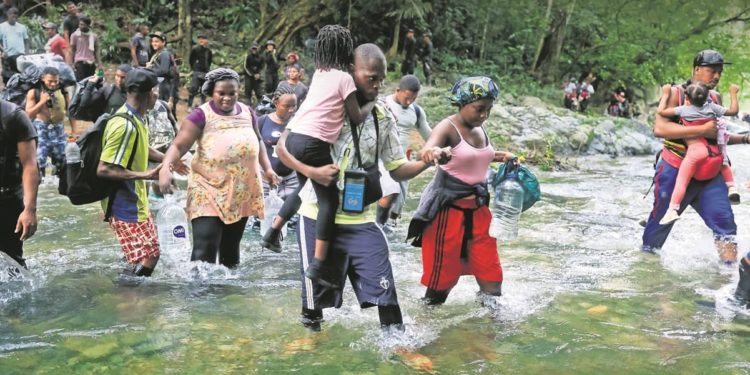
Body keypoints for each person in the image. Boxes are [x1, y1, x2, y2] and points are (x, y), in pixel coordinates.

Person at [275, 43, 431, 331]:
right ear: (350, 72)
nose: (377, 85)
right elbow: (283, 148)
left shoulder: (383, 116)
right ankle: (311, 342)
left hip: (361, 219)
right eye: (371, 78)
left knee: (386, 292)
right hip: (315, 214)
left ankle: (396, 345)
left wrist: (426, 161)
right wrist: (312, 171)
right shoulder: (320, 105)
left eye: (381, 79)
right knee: (313, 299)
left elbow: (397, 168)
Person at [260, 25, 375, 289]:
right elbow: (356, 117)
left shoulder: (320, 74)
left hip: (296, 138)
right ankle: (318, 265)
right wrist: (371, 103)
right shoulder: (344, 78)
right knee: (329, 201)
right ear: (345, 50)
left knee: (302, 188)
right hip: (313, 144)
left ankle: (272, 232)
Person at [158, 68, 279, 268]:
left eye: (232, 93)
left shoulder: (248, 112)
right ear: (212, 93)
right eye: (221, 93)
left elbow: (258, 142)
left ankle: (225, 295)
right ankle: (198, 295)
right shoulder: (200, 115)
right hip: (207, 188)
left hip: (241, 190)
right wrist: (165, 168)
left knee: (231, 253)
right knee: (205, 249)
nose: (227, 98)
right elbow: (178, 145)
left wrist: (268, 169)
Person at [406, 76, 510, 305]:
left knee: (492, 278)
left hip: (479, 212)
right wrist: (434, 153)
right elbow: (429, 147)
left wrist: (502, 156)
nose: (484, 115)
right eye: (479, 109)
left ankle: (489, 332)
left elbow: (476, 156)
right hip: (448, 213)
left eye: (488, 110)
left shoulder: (480, 128)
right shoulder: (448, 127)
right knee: (441, 285)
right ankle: (427, 326)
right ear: (462, 103)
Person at [642, 49, 748, 266]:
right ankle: (647, 272)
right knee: (658, 229)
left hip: (710, 172)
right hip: (675, 168)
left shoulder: (716, 98)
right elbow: (660, 128)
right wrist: (700, 132)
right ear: (697, 70)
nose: (717, 76)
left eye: (720, 72)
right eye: (712, 71)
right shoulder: (675, 93)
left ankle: (728, 277)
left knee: (725, 224)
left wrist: (745, 139)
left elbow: (720, 136)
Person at [96, 68, 162, 279]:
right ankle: (129, 297)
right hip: (124, 205)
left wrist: (169, 159)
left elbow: (140, 146)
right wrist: (146, 175)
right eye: (155, 90)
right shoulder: (124, 125)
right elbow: (104, 169)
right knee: (150, 254)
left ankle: (129, 291)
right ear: (147, 93)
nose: (158, 94)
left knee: (138, 254)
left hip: (136, 201)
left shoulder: (137, 118)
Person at [658, 82, 740, 225]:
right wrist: (733, 93)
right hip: (714, 151)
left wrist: (665, 94)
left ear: (687, 99)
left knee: (682, 181)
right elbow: (733, 111)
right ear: (708, 96)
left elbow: (662, 111)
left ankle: (672, 210)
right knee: (724, 163)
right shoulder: (712, 108)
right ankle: (731, 187)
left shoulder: (684, 110)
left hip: (695, 151)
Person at [377, 74, 431, 227]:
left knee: (398, 202)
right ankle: (378, 228)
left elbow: (431, 137)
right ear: (398, 90)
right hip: (381, 158)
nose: (409, 102)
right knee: (390, 191)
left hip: (402, 161)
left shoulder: (417, 112)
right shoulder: (382, 104)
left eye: (413, 98)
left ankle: (391, 228)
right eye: (406, 97)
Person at [0, 98, 38, 269]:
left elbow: (30, 165)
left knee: (13, 263)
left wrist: (29, 210)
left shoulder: (13, 116)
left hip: (6, 199)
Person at [25, 67, 70, 177]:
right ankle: (39, 187)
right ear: (43, 79)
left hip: (59, 130)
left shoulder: (63, 91)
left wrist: (73, 131)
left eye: (56, 81)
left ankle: (59, 188)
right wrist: (42, 102)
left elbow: (71, 111)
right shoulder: (34, 92)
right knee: (39, 163)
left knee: (63, 162)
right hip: (41, 130)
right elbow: (28, 115)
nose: (53, 84)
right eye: (50, 81)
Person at [259, 85, 298, 199]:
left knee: (290, 215)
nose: (291, 109)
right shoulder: (262, 121)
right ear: (276, 103)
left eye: (294, 105)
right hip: (265, 180)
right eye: (286, 106)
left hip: (292, 181)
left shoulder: (299, 123)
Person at [147, 31, 179, 119]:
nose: (154, 43)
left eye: (157, 41)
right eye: (153, 41)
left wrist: (150, 69)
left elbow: (164, 70)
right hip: (161, 86)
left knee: (166, 114)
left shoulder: (164, 54)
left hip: (165, 88)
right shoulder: (158, 54)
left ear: (163, 42)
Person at [68, 16, 103, 82]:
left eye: (82, 24)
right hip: (80, 63)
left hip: (91, 63)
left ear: (88, 25)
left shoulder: (94, 36)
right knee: (80, 83)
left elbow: (96, 51)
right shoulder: (75, 35)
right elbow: (72, 50)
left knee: (91, 82)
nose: (80, 26)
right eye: (79, 24)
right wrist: (71, 64)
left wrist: (100, 64)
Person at [0, 7, 29, 84]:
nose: (14, 18)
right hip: (8, 56)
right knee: (7, 77)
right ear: (8, 15)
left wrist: (27, 52)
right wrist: (3, 50)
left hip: (20, 55)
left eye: (16, 17)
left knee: (21, 75)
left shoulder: (22, 27)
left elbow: (26, 40)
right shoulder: (2, 27)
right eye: (12, 16)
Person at [187, 35, 212, 108]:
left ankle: (203, 106)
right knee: (194, 88)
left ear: (207, 41)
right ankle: (189, 105)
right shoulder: (195, 49)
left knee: (204, 90)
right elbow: (191, 60)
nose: (201, 40)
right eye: (200, 39)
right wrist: (194, 68)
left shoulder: (208, 51)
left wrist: (207, 69)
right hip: (197, 72)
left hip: (205, 72)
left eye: (203, 39)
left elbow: (209, 61)